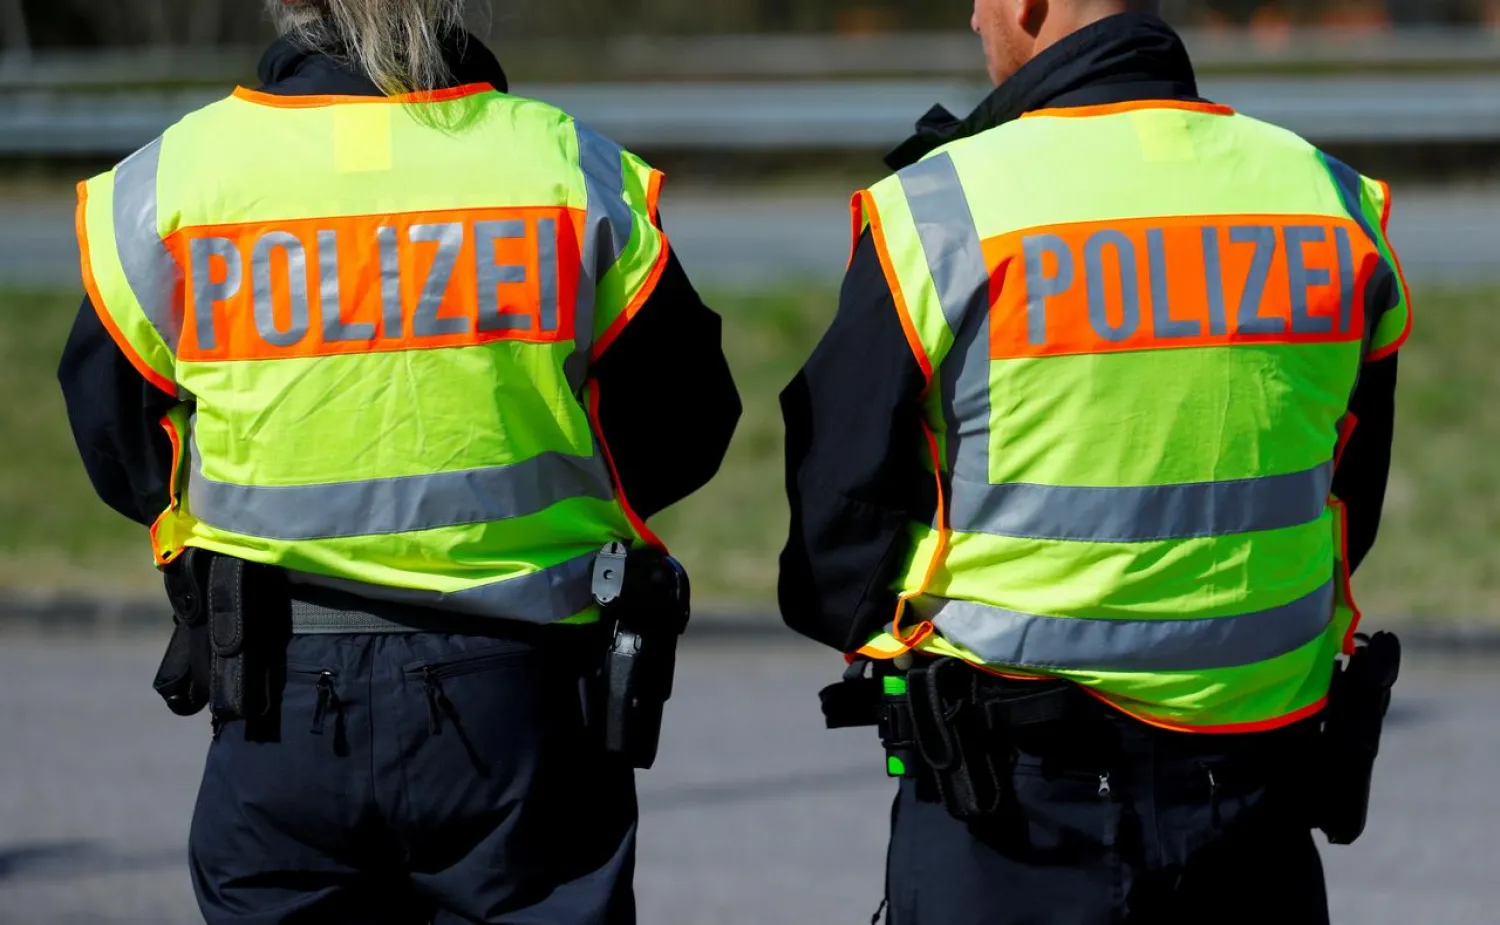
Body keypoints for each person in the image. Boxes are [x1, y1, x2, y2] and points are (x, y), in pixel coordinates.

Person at [58, 2, 740, 922]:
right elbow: (687, 418)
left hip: (277, 689)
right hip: (520, 694)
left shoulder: (174, 180)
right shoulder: (566, 169)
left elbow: (114, 427)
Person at [780, 2, 1408, 923]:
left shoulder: (946, 204)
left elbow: (837, 513)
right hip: (1252, 801)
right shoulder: (1328, 199)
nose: (972, 18)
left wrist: (918, 633)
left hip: (1012, 807)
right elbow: (1349, 493)